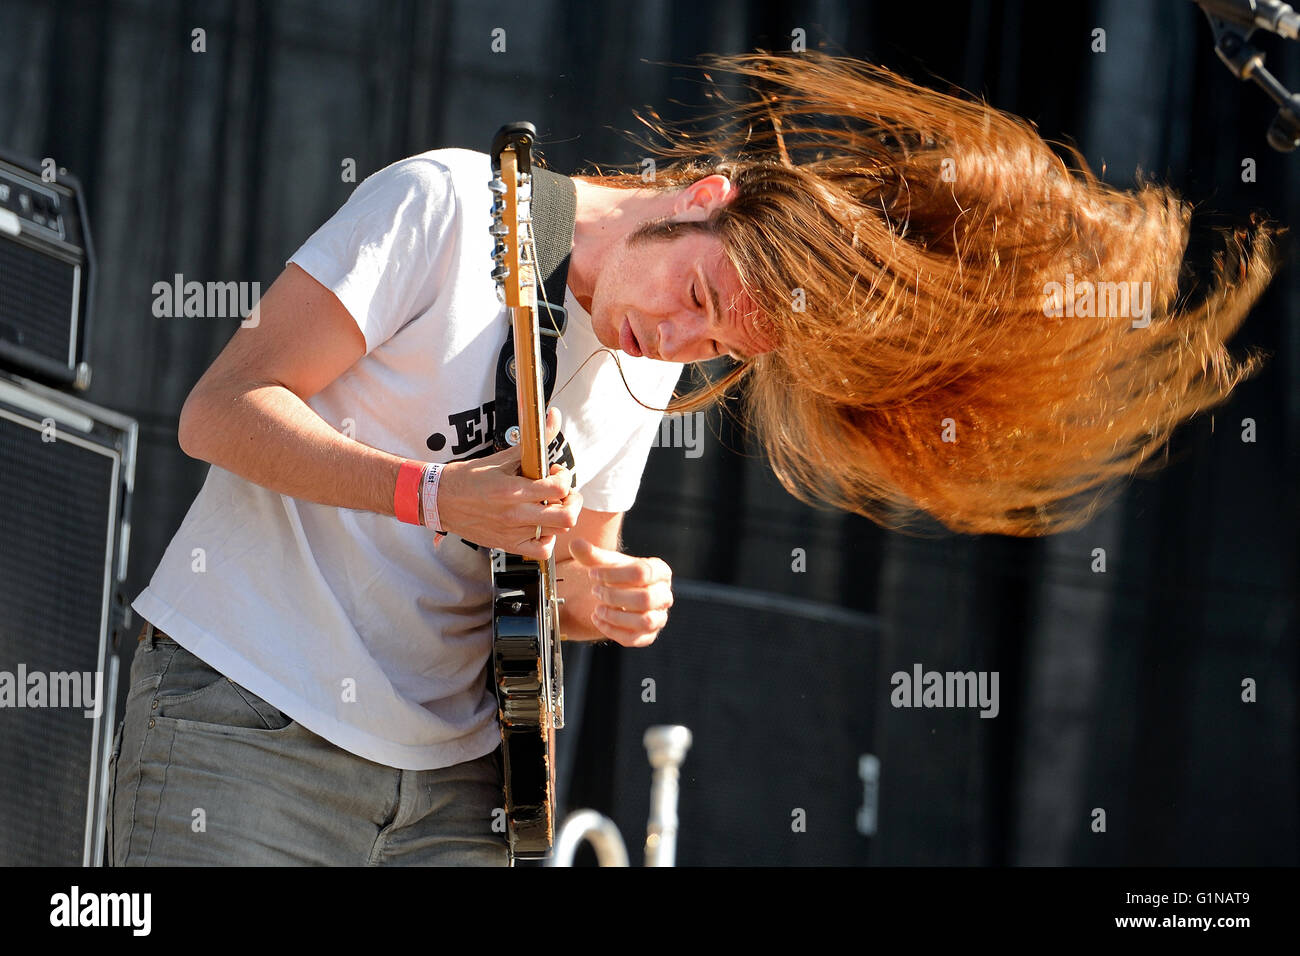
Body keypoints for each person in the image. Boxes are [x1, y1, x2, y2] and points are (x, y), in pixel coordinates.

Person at [107, 51, 1276, 866]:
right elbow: (221, 410)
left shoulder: (655, 361)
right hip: (248, 723)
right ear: (703, 196)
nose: (671, 339)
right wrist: (432, 492)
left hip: (457, 792)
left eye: (718, 340)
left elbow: (556, 583)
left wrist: (602, 595)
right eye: (699, 292)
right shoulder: (449, 207)